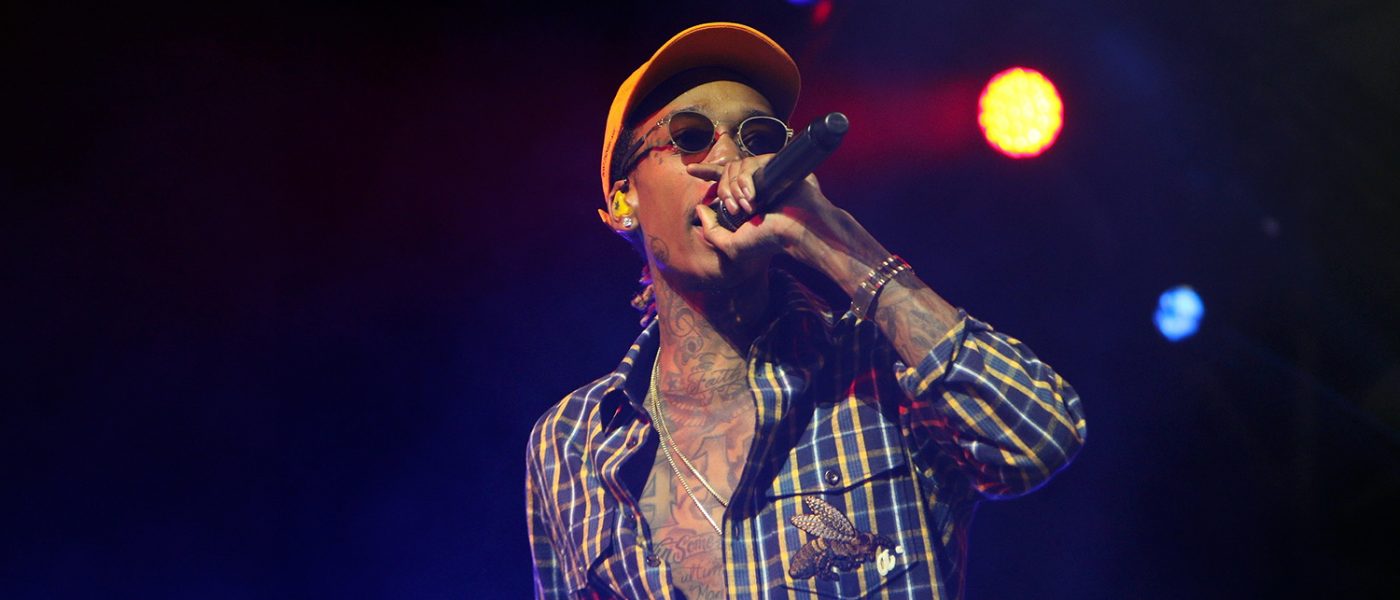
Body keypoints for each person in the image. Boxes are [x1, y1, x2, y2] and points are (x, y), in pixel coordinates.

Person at [525, 22, 1085, 600]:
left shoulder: (880, 366)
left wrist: (831, 238)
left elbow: (1038, 440)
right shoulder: (571, 443)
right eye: (690, 136)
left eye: (759, 138)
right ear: (624, 200)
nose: (730, 157)